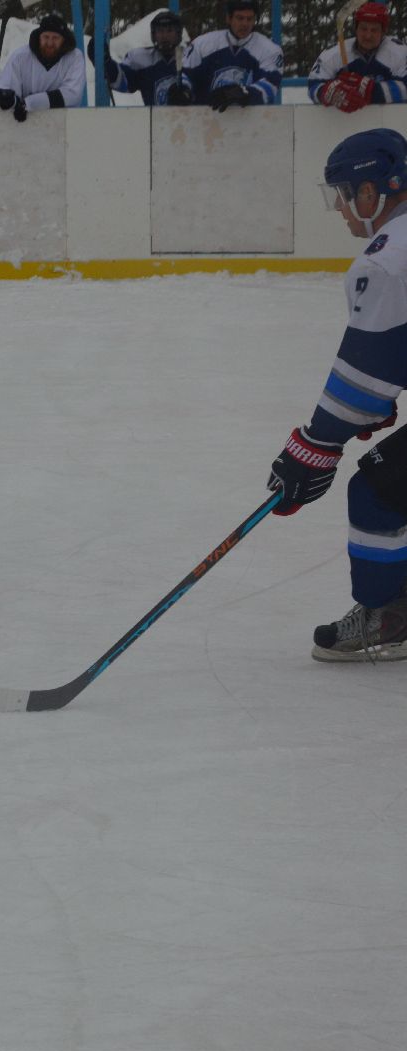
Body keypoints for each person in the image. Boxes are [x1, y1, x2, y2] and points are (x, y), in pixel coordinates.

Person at [266, 128, 407, 661]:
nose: (343, 210)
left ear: (372, 193)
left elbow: (364, 378)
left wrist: (314, 446)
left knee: (379, 491)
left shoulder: (387, 259)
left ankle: (388, 614)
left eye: (344, 195)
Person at [179, 0, 281, 111]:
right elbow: (185, 73)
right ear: (228, 18)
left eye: (250, 19)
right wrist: (184, 90)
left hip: (251, 121)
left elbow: (271, 86)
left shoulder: (269, 49)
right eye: (240, 18)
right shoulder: (203, 44)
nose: (245, 24)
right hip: (206, 119)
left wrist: (244, 93)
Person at [308, 2, 407, 114]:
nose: (368, 36)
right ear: (356, 29)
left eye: (374, 30)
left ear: (383, 31)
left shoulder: (400, 53)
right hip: (343, 126)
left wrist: (372, 91)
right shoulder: (334, 53)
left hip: (393, 124)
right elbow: (313, 85)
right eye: (363, 29)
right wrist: (329, 93)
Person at [0, 12, 85, 122]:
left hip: (65, 126)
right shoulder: (20, 57)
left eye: (55, 38)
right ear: (39, 37)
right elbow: (7, 90)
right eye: (46, 37)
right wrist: (6, 101)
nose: (50, 43)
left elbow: (72, 94)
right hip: (25, 126)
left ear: (63, 39)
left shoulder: (75, 58)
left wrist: (30, 103)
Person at [104, 10, 191, 106]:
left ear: (178, 33)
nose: (165, 36)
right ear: (153, 34)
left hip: (190, 118)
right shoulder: (142, 59)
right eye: (160, 31)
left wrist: (188, 94)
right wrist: (106, 62)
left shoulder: (191, 57)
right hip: (154, 120)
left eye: (169, 31)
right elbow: (122, 81)